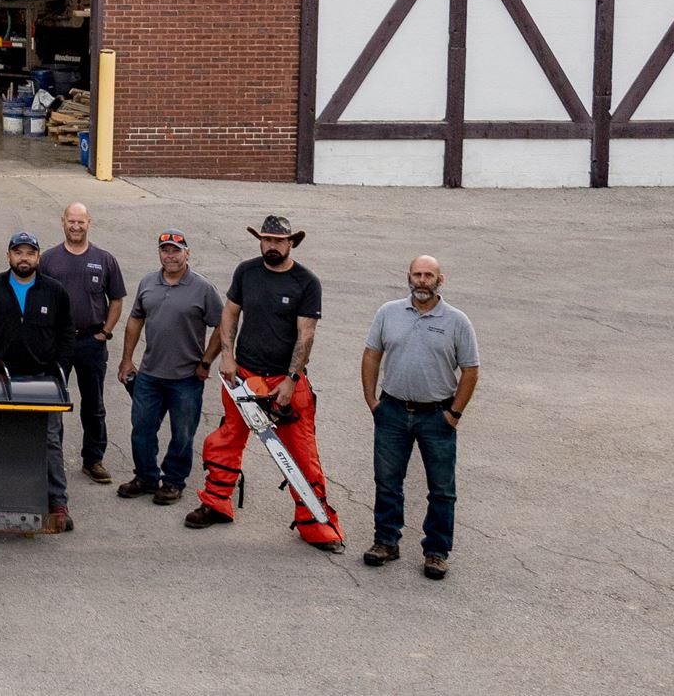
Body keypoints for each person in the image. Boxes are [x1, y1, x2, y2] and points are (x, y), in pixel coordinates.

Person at [189, 215, 343, 550]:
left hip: (285, 380)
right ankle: (216, 504)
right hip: (244, 374)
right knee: (226, 440)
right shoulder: (246, 271)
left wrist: (291, 380)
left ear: (291, 243)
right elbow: (230, 314)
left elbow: (306, 335)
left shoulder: (306, 282)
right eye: (266, 239)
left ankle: (315, 524)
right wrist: (226, 356)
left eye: (278, 240)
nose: (271, 246)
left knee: (301, 454)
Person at [361, 256, 479, 580]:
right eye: (417, 274)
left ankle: (436, 552)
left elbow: (470, 370)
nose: (422, 280)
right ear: (408, 277)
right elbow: (372, 354)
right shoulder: (388, 313)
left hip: (436, 417)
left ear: (441, 280)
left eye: (429, 275)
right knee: (387, 482)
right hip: (392, 411)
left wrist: (453, 414)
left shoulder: (457, 321)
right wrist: (372, 401)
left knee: (442, 489)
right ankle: (386, 541)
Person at [0, 231, 76, 532]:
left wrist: (59, 370)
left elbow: (67, 333)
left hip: (43, 380)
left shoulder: (55, 291)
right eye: (18, 252)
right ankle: (1, 498)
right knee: (1, 439)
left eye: (29, 253)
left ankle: (57, 502)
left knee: (50, 442)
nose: (24, 258)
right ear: (8, 256)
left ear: (38, 257)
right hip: (3, 380)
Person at [117, 229, 224, 505]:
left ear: (187, 253)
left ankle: (174, 482)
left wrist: (206, 362)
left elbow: (223, 326)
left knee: (183, 434)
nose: (171, 256)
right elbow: (134, 320)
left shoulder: (202, 288)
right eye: (165, 250)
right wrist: (127, 359)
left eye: (176, 250)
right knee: (141, 429)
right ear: (159, 253)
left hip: (187, 377)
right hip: (150, 375)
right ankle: (145, 477)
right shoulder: (148, 283)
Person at [38, 202, 127, 484]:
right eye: (71, 221)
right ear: (62, 222)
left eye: (81, 222)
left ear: (90, 222)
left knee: (94, 403)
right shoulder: (49, 260)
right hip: (57, 343)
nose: (76, 227)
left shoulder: (104, 260)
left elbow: (116, 299)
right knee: (55, 401)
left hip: (91, 341)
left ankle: (94, 459)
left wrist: (106, 332)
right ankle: (53, 459)